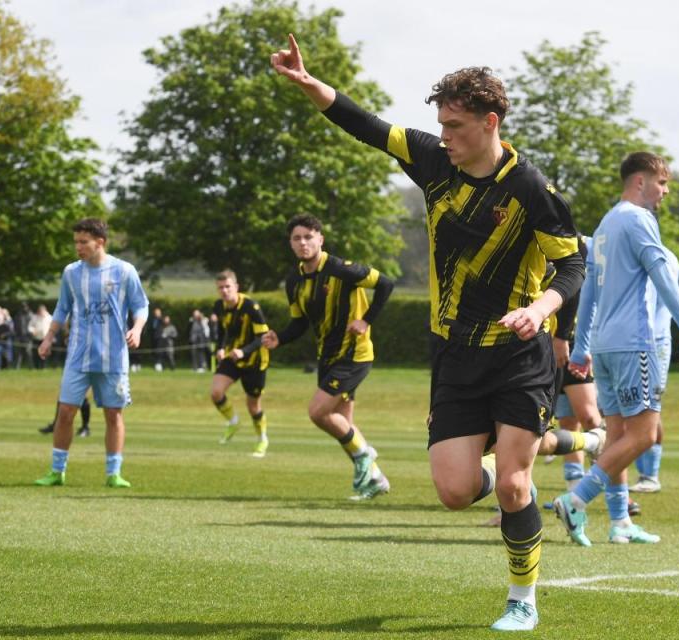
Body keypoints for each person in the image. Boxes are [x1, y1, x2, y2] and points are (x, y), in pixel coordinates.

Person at [271, 37, 584, 631]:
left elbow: (572, 265)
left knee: (515, 488)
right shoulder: (433, 161)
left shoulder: (531, 189)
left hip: (519, 354)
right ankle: (533, 452)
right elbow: (367, 125)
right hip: (454, 356)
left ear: (491, 122)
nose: (443, 134)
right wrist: (310, 85)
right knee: (455, 491)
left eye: (456, 125)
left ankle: (523, 599)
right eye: (440, 123)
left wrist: (542, 306)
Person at [553, 151, 679, 547]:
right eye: (662, 183)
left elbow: (589, 291)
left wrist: (583, 346)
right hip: (635, 344)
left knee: (617, 435)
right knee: (645, 434)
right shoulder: (639, 220)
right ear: (640, 181)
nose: (665, 191)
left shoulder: (604, 225)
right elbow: (662, 278)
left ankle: (619, 523)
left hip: (604, 346)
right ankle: (576, 498)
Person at [262, 213, 395, 500]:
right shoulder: (294, 281)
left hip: (354, 354)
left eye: (308, 237)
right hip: (328, 356)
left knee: (318, 412)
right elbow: (299, 323)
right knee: (343, 423)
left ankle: (365, 456)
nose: (303, 243)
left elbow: (386, 283)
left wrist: (366, 320)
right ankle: (374, 479)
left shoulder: (340, 269)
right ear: (291, 244)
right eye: (297, 238)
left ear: (320, 239)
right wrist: (279, 338)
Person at [34, 218, 149, 488]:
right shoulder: (71, 273)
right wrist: (49, 337)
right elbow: (62, 308)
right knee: (65, 412)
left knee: (113, 415)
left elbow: (140, 305)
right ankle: (57, 471)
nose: (78, 247)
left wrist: (138, 328)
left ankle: (113, 474)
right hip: (78, 355)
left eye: (83, 242)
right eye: (75, 242)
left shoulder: (124, 271)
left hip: (113, 356)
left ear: (100, 242)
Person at [630, 247, 679, 495]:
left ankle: (650, 474)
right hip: (634, 343)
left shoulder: (664, 258)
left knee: (651, 408)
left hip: (656, 343)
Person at [210, 270, 271, 457]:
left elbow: (263, 337)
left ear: (236, 287)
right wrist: (220, 348)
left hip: (255, 361)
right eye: (220, 288)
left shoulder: (251, 307)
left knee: (253, 406)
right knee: (216, 392)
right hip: (233, 358)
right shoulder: (219, 306)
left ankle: (262, 439)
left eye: (228, 286)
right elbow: (221, 332)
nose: (224, 291)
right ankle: (233, 421)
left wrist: (243, 351)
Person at [27, 304, 52, 370]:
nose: (41, 312)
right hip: (36, 338)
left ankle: (43, 367)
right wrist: (33, 331)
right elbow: (30, 326)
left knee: (45, 354)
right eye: (40, 311)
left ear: (45, 310)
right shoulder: (34, 317)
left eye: (42, 311)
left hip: (45, 339)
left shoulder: (49, 318)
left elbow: (52, 328)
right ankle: (36, 367)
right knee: (36, 353)